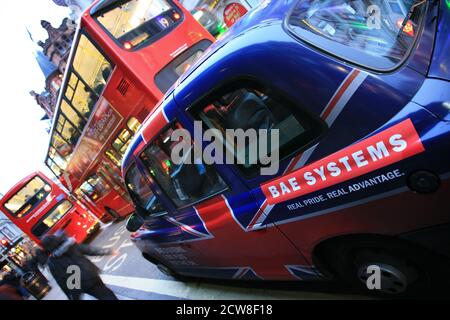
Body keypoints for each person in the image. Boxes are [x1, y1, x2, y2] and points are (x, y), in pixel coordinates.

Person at [29, 232, 119, 300]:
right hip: (91, 274)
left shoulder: (52, 262)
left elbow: (62, 281)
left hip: (80, 283)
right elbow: (90, 250)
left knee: (105, 295)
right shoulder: (71, 246)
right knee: (106, 293)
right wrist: (108, 251)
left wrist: (71, 296)